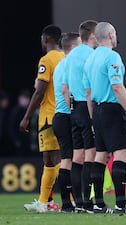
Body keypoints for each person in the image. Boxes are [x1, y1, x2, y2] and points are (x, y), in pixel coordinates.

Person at [83, 21, 126, 214]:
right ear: (110, 34)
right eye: (115, 33)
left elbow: (88, 93)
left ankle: (98, 204)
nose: (116, 37)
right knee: (121, 154)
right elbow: (117, 87)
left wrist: (93, 119)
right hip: (112, 110)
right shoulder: (112, 56)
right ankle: (121, 204)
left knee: (101, 156)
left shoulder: (90, 60)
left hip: (98, 111)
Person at [20, 25, 64, 212]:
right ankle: (51, 202)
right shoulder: (65, 58)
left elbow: (39, 92)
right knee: (61, 158)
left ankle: (46, 202)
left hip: (49, 115)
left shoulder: (46, 60)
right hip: (64, 113)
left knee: (51, 160)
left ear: (46, 39)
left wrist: (26, 117)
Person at [62, 20, 98, 213]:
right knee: (91, 156)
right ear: (93, 35)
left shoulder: (69, 56)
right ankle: (88, 202)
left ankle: (78, 203)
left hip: (74, 109)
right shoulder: (92, 56)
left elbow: (65, 88)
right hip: (87, 106)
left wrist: (72, 110)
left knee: (77, 157)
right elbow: (91, 87)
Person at [53, 32, 81, 212]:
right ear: (73, 47)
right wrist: (75, 111)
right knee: (75, 159)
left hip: (59, 116)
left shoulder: (59, 66)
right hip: (67, 116)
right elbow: (66, 90)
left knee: (66, 159)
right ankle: (79, 201)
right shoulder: (70, 64)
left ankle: (66, 203)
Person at [8, 89, 31, 156]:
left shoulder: (30, 110)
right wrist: (15, 140)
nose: (25, 101)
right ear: (19, 99)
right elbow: (11, 127)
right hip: (17, 141)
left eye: (27, 98)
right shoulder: (15, 111)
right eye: (24, 98)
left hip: (28, 142)